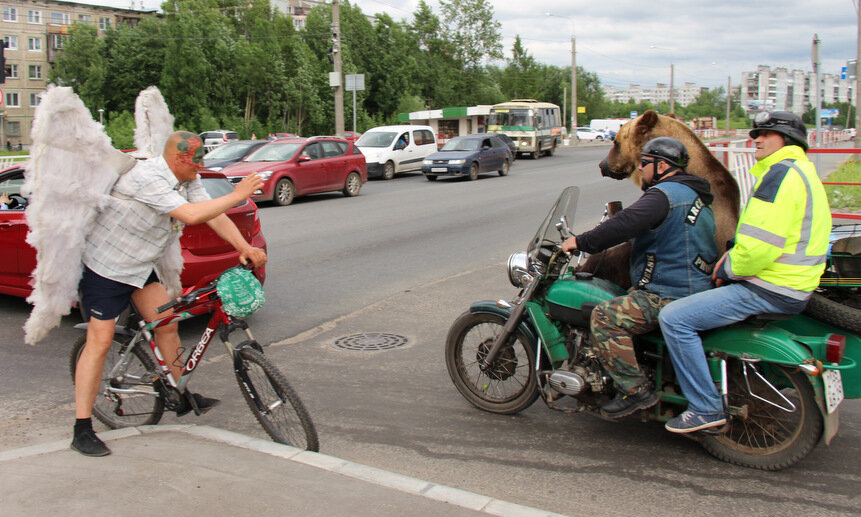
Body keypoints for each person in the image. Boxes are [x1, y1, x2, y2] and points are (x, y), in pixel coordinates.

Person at [73, 131, 267, 457]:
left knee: (166, 322)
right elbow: (190, 215)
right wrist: (238, 194)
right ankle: (81, 429)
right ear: (178, 158)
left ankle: (179, 392)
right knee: (100, 342)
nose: (201, 164)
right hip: (105, 268)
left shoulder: (185, 179)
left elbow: (211, 212)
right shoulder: (147, 178)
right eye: (197, 159)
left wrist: (244, 247)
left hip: (141, 267)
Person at [659, 111, 831, 433]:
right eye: (756, 133)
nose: (756, 139)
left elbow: (763, 245)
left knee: (674, 318)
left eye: (766, 133)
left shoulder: (779, 176)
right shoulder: (803, 172)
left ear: (788, 140)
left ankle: (706, 409)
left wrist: (731, 267)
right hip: (792, 283)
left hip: (769, 286)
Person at [562, 137, 718, 419]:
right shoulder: (694, 195)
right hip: (695, 286)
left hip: (668, 293)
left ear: (661, 165)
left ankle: (635, 391)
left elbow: (625, 224)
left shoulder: (663, 195)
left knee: (604, 317)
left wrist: (580, 242)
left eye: (644, 164)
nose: (641, 170)